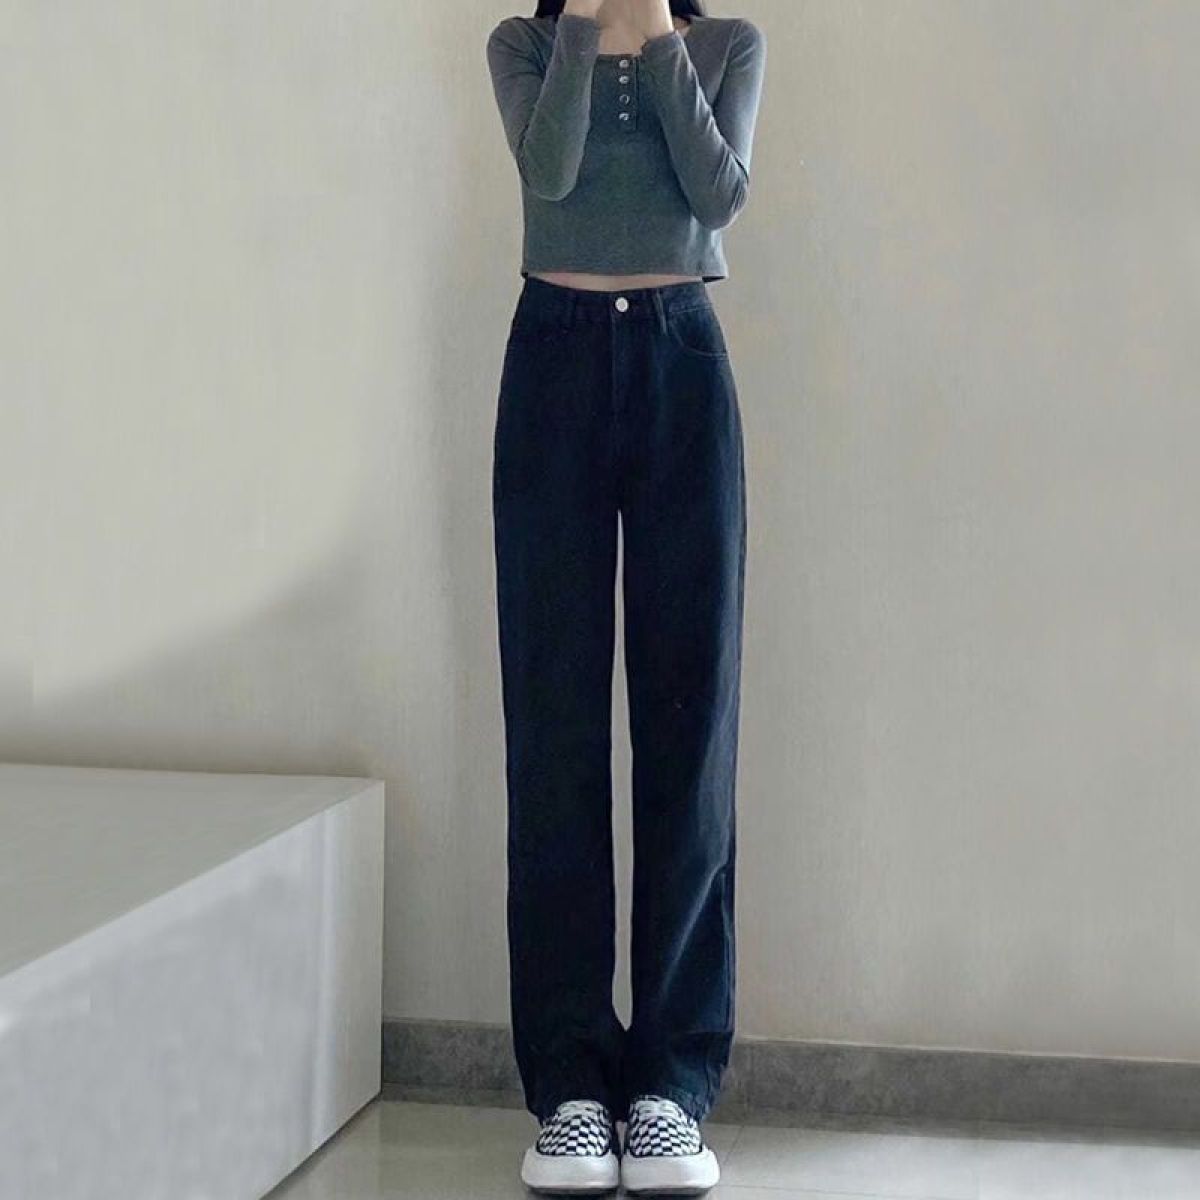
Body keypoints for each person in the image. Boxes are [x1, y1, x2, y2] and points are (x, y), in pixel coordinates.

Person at [485, 0, 766, 1192]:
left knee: (689, 728)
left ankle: (669, 1088)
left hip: (680, 358)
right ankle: (570, 1089)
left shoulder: (727, 46)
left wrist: (652, 32)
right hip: (550, 359)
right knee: (552, 728)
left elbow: (718, 194)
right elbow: (547, 173)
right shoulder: (518, 45)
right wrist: (587, 32)